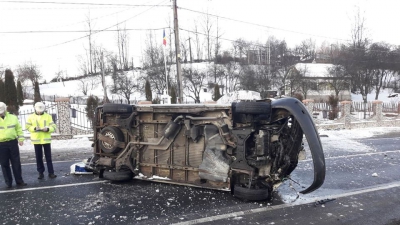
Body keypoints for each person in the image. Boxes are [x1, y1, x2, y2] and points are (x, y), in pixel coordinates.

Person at [26, 102, 57, 179]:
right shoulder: (31, 117)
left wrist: (48, 129)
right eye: (38, 110)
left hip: (46, 140)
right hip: (36, 140)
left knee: (48, 157)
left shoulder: (48, 116)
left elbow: (53, 126)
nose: (40, 111)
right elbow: (27, 127)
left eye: (41, 110)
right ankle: (40, 172)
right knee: (38, 157)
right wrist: (34, 128)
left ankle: (51, 172)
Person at [0, 102, 27, 188]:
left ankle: (19, 181)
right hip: (1, 144)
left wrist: (21, 139)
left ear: (5, 109)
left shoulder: (12, 117)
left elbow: (18, 129)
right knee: (4, 164)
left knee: (16, 162)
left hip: (12, 142)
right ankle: (8, 182)